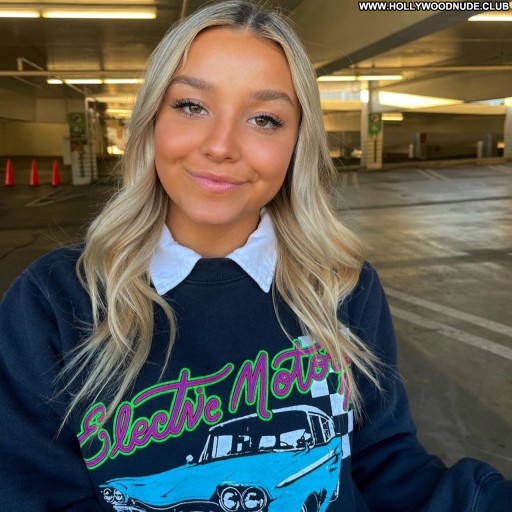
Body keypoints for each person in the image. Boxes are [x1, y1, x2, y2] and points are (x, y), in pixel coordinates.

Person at [0, 1, 510, 511]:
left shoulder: (341, 284)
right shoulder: (53, 301)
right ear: (151, 119)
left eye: (265, 119)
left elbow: (382, 464)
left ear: (297, 144)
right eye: (191, 106)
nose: (221, 145)